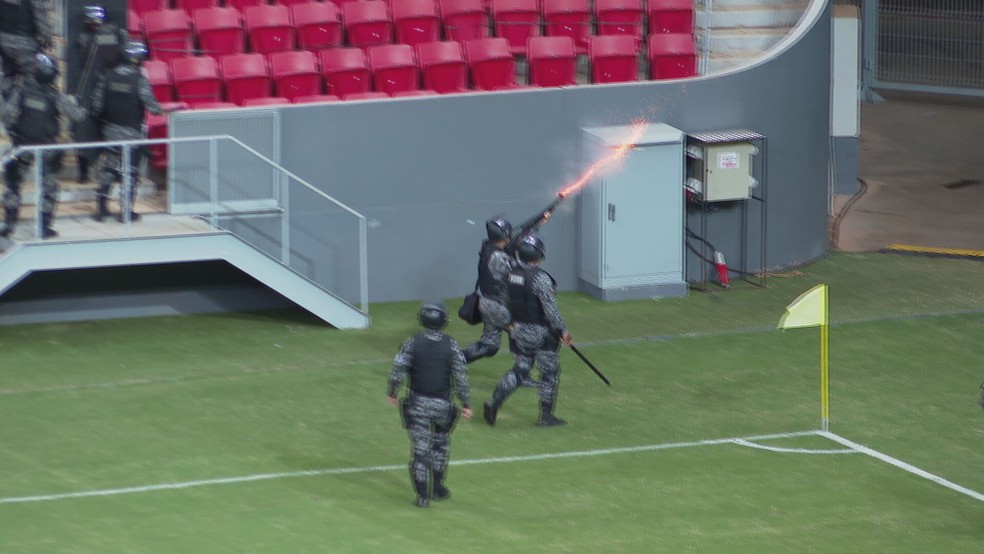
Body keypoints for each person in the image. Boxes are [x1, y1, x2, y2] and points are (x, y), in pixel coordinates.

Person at [387, 303, 472, 508]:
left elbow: (398, 369)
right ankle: (437, 488)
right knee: (440, 446)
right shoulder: (451, 345)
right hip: (443, 405)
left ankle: (422, 497)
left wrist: (393, 391)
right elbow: (461, 376)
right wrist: (466, 403)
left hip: (417, 404)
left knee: (420, 451)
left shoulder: (412, 343)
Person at [483, 234, 572, 428]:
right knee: (549, 373)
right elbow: (550, 311)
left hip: (518, 331)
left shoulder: (511, 274)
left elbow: (505, 300)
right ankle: (546, 416)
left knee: (521, 368)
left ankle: (495, 401)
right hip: (542, 334)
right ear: (539, 256)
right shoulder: (541, 279)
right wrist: (563, 330)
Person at [461, 210, 552, 387]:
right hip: (499, 307)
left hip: (487, 303)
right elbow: (520, 270)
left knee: (490, 345)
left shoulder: (489, 246)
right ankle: (521, 375)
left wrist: (538, 223)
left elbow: (512, 243)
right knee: (526, 336)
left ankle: (456, 359)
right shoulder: (499, 257)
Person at [1, 54, 86, 239]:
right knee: (49, 188)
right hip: (47, 148)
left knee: (13, 186)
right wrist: (83, 110)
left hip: (22, 145)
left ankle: (8, 225)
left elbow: (6, 114)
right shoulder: (55, 95)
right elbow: (78, 116)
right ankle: (43, 228)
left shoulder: (22, 91)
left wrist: (13, 132)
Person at [89, 40, 163, 222]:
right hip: (131, 134)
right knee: (130, 172)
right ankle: (125, 212)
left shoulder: (107, 76)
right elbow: (153, 107)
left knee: (108, 169)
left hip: (109, 132)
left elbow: (96, 107)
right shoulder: (139, 80)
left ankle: (101, 209)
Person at [71, 5, 129, 183]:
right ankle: (94, 171)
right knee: (88, 131)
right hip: (101, 94)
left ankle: (95, 171)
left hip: (100, 93)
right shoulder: (115, 36)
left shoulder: (95, 37)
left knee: (92, 132)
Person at [0, 0, 52, 100]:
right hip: (24, 42)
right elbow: (40, 18)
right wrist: (48, 39)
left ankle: (7, 102)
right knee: (33, 77)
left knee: (8, 72)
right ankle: (27, 105)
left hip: (4, 41)